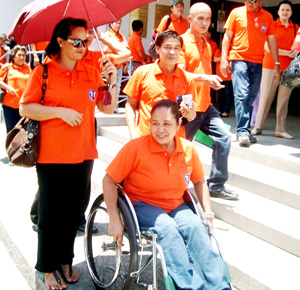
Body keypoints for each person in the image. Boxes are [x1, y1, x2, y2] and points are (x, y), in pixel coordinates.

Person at [19, 18, 117, 290]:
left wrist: (111, 79)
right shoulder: (43, 72)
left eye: (85, 41)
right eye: (77, 41)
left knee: (74, 214)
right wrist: (59, 112)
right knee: (51, 214)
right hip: (52, 156)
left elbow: (107, 109)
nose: (83, 46)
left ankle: (65, 260)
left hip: (84, 154)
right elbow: (25, 107)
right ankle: (47, 267)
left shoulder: (91, 71)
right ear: (60, 42)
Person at [103, 99, 230, 290]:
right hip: (142, 204)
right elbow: (109, 180)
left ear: (179, 124)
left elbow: (199, 181)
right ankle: (190, 287)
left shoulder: (187, 149)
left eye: (167, 124)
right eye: (155, 123)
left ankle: (219, 286)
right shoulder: (135, 148)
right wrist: (114, 217)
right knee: (168, 229)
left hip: (176, 204)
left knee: (196, 227)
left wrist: (209, 213)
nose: (160, 129)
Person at [178, 3, 238, 200]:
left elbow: (201, 73)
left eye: (207, 19)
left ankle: (217, 185)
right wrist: (206, 79)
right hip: (187, 108)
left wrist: (210, 83)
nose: (204, 23)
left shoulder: (206, 43)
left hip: (206, 105)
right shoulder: (181, 42)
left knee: (224, 137)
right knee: (179, 148)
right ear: (190, 19)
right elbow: (179, 74)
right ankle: (175, 187)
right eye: (200, 18)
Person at [221, 0, 280, 147]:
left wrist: (277, 63)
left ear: (260, 1)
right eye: (247, 0)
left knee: (251, 96)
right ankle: (242, 132)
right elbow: (227, 37)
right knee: (241, 94)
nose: (250, 3)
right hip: (239, 59)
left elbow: (272, 40)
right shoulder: (236, 13)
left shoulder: (267, 16)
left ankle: (245, 130)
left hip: (258, 61)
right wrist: (224, 59)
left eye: (253, 0)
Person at [124, 30, 196, 140]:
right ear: (157, 49)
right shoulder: (142, 73)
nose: (172, 52)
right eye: (167, 47)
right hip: (146, 139)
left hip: (174, 143)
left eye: (177, 48)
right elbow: (130, 105)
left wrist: (190, 114)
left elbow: (191, 116)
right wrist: (133, 135)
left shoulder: (187, 79)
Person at [252, 0, 299, 139]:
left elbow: (297, 48)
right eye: (282, 9)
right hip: (270, 66)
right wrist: (286, 53)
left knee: (284, 100)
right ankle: (257, 126)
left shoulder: (296, 28)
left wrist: (295, 53)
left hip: (290, 68)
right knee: (266, 96)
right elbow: (266, 47)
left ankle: (280, 129)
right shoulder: (271, 26)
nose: (285, 12)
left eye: (288, 10)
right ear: (278, 12)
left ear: (291, 12)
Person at [0, 45, 31, 133]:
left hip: (24, 106)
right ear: (13, 56)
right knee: (11, 132)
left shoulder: (28, 68)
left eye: (24, 55)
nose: (21, 57)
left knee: (23, 133)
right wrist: (8, 88)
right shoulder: (7, 67)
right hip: (10, 106)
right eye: (19, 55)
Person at [104, 20, 130, 100]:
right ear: (111, 23)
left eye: (120, 23)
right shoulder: (107, 34)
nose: (118, 25)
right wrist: (119, 47)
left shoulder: (121, 36)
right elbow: (106, 48)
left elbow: (126, 48)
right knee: (109, 84)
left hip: (120, 64)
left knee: (118, 85)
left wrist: (126, 63)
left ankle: (115, 106)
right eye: (116, 23)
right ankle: (108, 103)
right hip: (110, 63)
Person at [214, 48, 233, 118]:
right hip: (220, 76)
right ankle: (220, 110)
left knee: (228, 95)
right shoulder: (218, 50)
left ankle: (226, 111)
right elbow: (215, 59)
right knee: (220, 95)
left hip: (229, 77)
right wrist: (226, 58)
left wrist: (222, 59)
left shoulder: (231, 51)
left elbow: (232, 58)